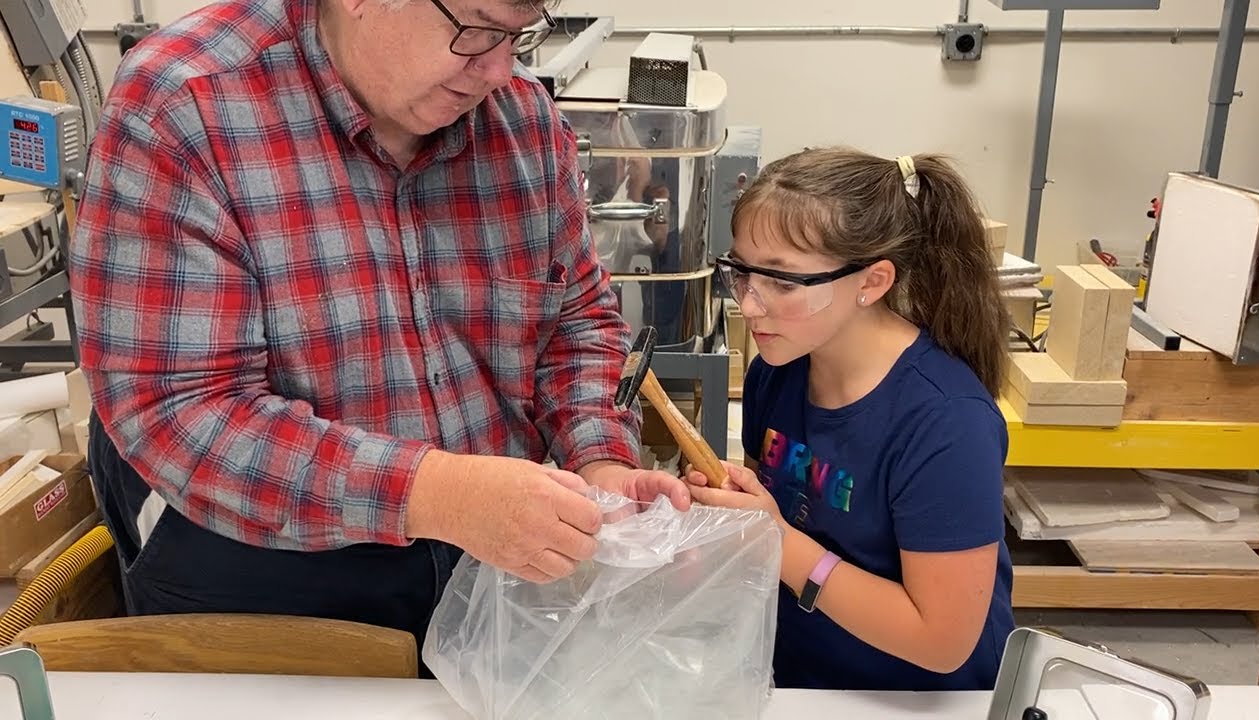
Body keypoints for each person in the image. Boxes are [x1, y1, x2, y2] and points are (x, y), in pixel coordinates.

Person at [68, 0, 688, 674]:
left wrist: (601, 464)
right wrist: (440, 495)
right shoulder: (186, 108)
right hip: (256, 569)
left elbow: (575, 323)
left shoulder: (521, 121)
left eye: (520, 34)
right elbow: (181, 411)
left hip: (480, 560)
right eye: (475, 29)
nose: (499, 68)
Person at [683, 147, 1014, 691]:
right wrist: (728, 514)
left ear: (872, 282)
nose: (751, 304)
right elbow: (771, 527)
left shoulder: (947, 423)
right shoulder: (779, 370)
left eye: (783, 283)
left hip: (921, 700)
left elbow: (942, 641)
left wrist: (777, 541)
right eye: (741, 273)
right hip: (803, 682)